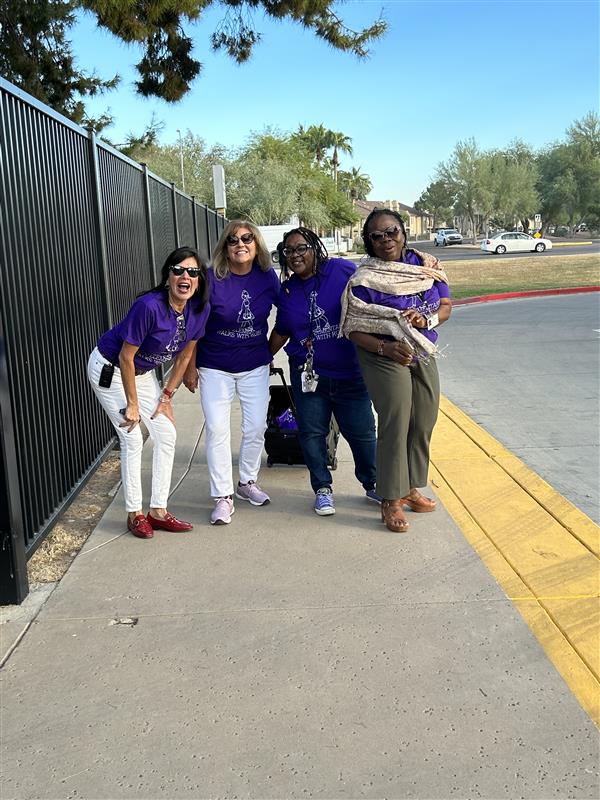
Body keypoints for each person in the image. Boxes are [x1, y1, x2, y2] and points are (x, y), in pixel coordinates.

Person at [340, 209, 452, 533]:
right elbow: (352, 326)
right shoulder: (363, 279)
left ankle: (408, 486)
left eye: (391, 232)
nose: (386, 240)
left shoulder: (427, 265)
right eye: (377, 236)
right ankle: (389, 498)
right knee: (397, 417)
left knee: (424, 417)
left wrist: (426, 321)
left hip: (422, 347)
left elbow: (445, 307)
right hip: (382, 353)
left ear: (403, 232)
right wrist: (386, 348)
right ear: (369, 242)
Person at [88, 246, 210, 539]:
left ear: (199, 279)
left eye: (192, 272)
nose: (185, 277)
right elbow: (125, 357)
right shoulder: (149, 306)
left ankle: (158, 511)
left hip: (142, 374)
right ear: (167, 276)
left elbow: (184, 356)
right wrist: (132, 405)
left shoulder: (198, 309)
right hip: (112, 369)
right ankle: (134, 514)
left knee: (166, 434)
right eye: (178, 270)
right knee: (132, 437)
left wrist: (166, 396)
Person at [269, 227, 379, 517]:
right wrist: (261, 357)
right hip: (309, 376)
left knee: (363, 433)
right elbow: (282, 329)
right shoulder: (289, 289)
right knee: (312, 433)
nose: (295, 255)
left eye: (301, 248)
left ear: (315, 247)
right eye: (288, 251)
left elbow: (370, 300)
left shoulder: (342, 270)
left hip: (350, 373)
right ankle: (322, 489)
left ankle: (373, 482)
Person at [183, 220, 279, 525]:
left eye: (247, 239)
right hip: (215, 366)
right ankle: (222, 495)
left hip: (254, 365)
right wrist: (189, 367)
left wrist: (271, 350)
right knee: (217, 429)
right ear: (225, 247)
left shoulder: (267, 277)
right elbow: (193, 325)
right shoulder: (211, 278)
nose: (241, 245)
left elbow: (290, 310)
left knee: (255, 427)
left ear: (257, 243)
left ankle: (246, 482)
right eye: (233, 240)